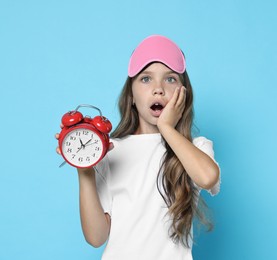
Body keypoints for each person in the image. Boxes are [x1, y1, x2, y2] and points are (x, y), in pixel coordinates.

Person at [55, 35, 220, 259]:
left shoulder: (195, 148)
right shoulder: (111, 150)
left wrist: (167, 128)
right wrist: (85, 172)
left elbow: (208, 177)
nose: (158, 89)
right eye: (145, 79)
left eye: (170, 79)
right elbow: (96, 237)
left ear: (183, 93)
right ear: (131, 95)